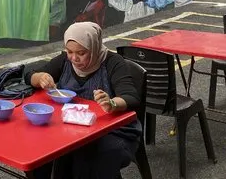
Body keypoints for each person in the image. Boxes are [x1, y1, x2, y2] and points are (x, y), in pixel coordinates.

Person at [26, 22, 142, 179]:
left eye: (82, 53)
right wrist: (39, 78)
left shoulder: (113, 63)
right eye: (70, 52)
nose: (74, 58)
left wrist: (112, 103)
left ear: (93, 47)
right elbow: (29, 75)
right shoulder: (65, 60)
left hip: (114, 131)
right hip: (73, 128)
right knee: (43, 149)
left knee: (88, 156)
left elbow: (131, 97)